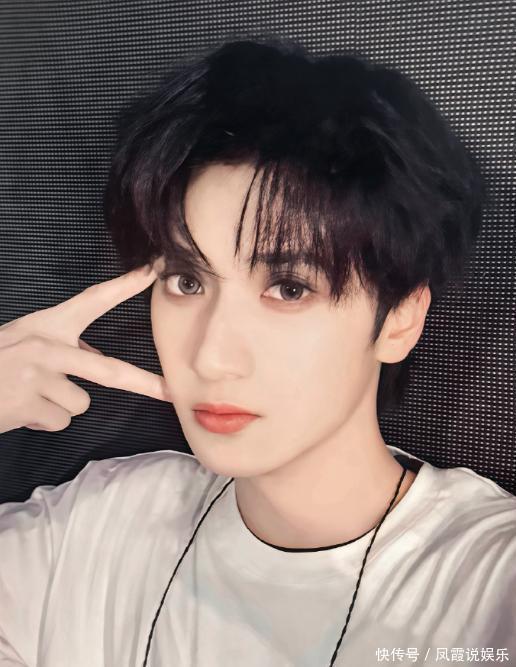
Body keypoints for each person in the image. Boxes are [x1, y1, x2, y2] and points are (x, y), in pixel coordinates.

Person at [0, 37, 514, 667]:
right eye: (186, 281)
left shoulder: (485, 579)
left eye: (289, 288)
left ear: (400, 318)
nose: (210, 357)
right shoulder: (100, 521)